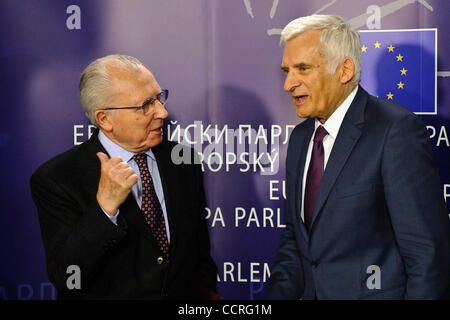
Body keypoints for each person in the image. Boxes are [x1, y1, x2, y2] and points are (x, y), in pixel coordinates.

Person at [267, 15, 450, 300]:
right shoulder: (301, 138)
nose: (289, 83)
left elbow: (426, 255)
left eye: (302, 68)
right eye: (286, 70)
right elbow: (296, 242)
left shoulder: (394, 131)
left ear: (344, 70)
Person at [30, 54, 218, 299]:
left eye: (159, 98)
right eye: (146, 105)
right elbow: (68, 276)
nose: (162, 112)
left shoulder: (182, 160)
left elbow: (198, 254)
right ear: (105, 119)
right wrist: (105, 209)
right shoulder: (57, 179)